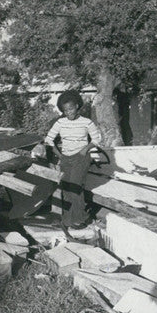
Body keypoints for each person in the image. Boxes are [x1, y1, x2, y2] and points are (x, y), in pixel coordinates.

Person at [34, 90, 102, 230]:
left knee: (75, 187)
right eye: (65, 110)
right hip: (66, 158)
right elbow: (49, 139)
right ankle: (67, 220)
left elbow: (96, 139)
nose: (69, 112)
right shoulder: (60, 122)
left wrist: (85, 149)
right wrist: (58, 155)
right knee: (66, 189)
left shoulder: (87, 122)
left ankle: (80, 219)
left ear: (77, 106)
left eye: (71, 108)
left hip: (81, 158)